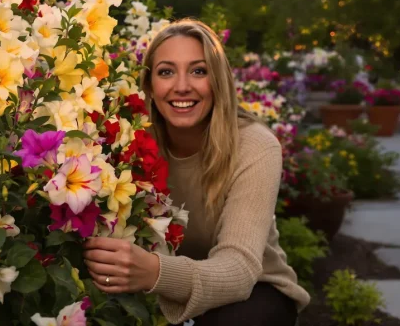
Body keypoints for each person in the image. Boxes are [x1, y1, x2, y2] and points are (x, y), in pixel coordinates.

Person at [82, 19, 310, 326]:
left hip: (254, 294)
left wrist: (155, 272)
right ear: (149, 84)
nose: (182, 86)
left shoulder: (254, 146)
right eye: (166, 71)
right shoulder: (130, 142)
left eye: (198, 71)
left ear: (218, 80)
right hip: (153, 291)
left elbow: (240, 269)